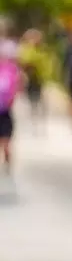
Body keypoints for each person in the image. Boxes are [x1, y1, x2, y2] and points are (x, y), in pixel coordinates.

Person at [17, 29, 49, 132]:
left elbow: (46, 64)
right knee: (30, 101)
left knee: (40, 101)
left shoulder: (42, 50)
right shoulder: (25, 49)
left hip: (39, 79)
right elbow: (22, 62)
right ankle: (33, 122)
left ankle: (40, 122)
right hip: (28, 79)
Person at [0, 48, 19, 183]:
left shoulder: (9, 70)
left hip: (5, 112)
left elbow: (15, 87)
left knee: (6, 143)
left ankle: (8, 167)